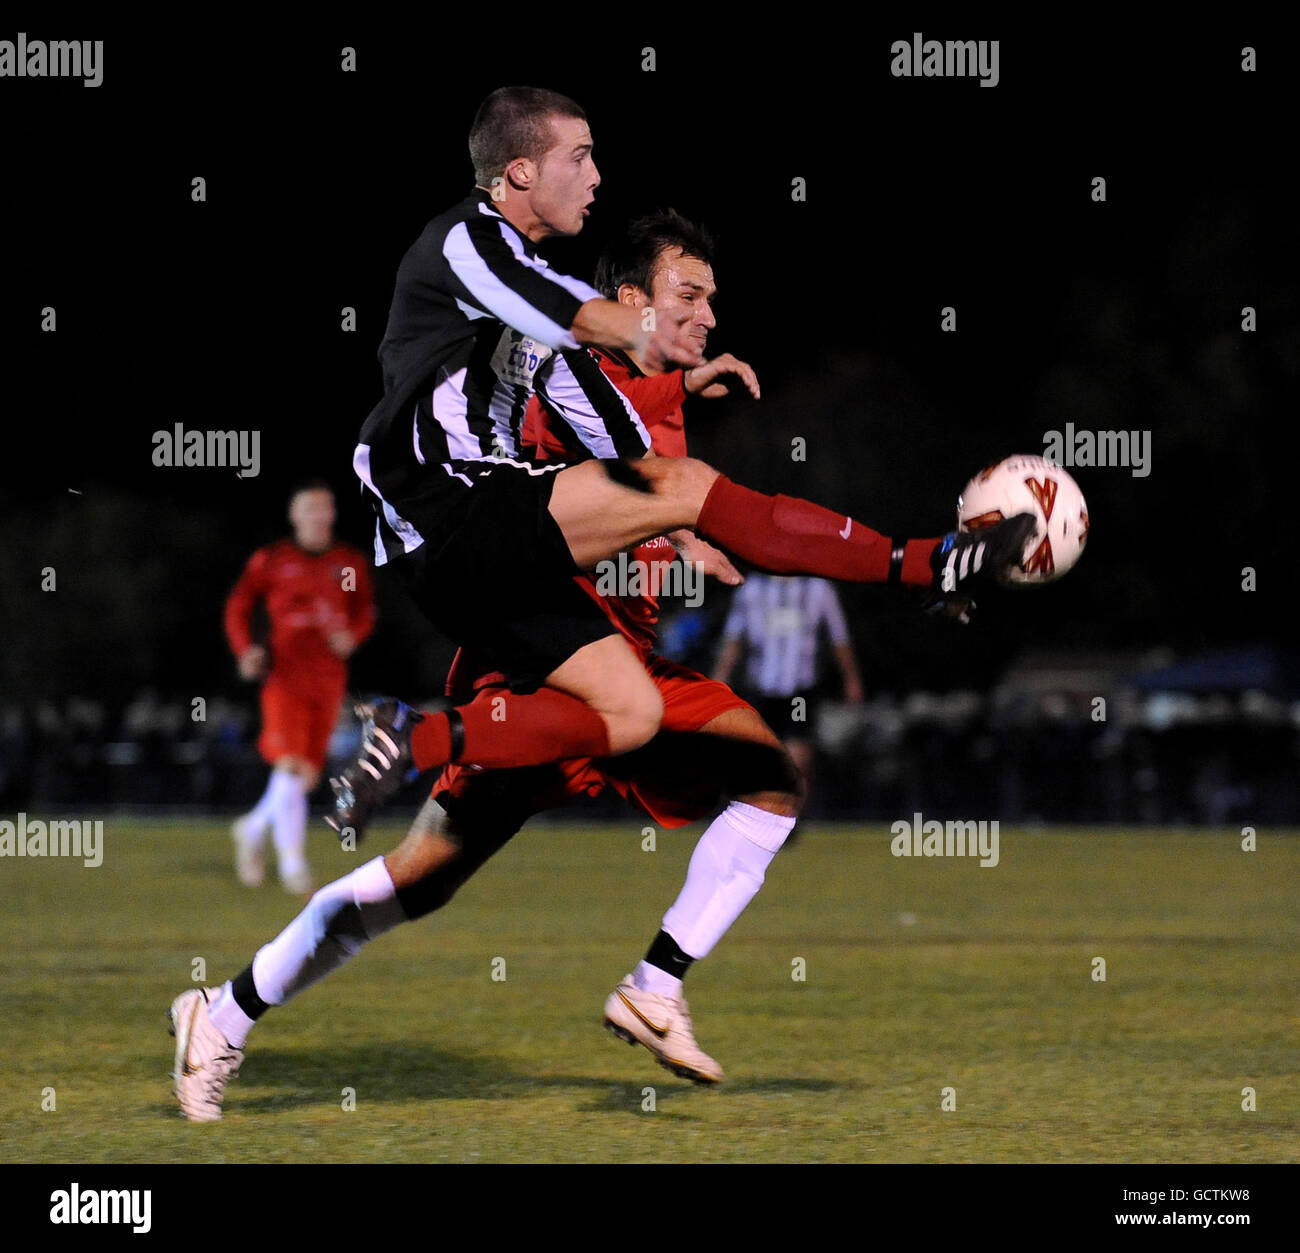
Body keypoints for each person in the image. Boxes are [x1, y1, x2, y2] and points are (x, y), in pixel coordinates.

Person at [169, 88, 1030, 1120]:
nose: (596, 174)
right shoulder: (468, 247)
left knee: (438, 869)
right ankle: (927, 559)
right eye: (579, 156)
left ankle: (222, 1011)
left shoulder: (588, 360)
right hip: (454, 537)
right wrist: (644, 363)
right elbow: (562, 321)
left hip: (564, 639)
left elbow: (626, 449)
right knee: (676, 525)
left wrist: (675, 480)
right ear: (519, 173)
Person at [223, 482, 374, 893]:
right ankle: (293, 864)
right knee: (289, 764)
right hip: (284, 676)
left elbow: (361, 610)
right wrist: (246, 649)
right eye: (309, 509)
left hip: (327, 681)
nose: (318, 516)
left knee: (304, 775)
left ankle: (252, 829)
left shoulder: (347, 564)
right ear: (295, 516)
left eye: (325, 509)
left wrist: (353, 635)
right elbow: (239, 606)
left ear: (332, 516)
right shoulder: (272, 561)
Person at [714, 574, 865, 809]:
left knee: (798, 755)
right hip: (761, 687)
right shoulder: (751, 589)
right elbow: (734, 637)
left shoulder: (819, 589)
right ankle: (762, 812)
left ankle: (789, 814)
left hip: (799, 689)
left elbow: (839, 637)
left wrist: (851, 678)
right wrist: (721, 676)